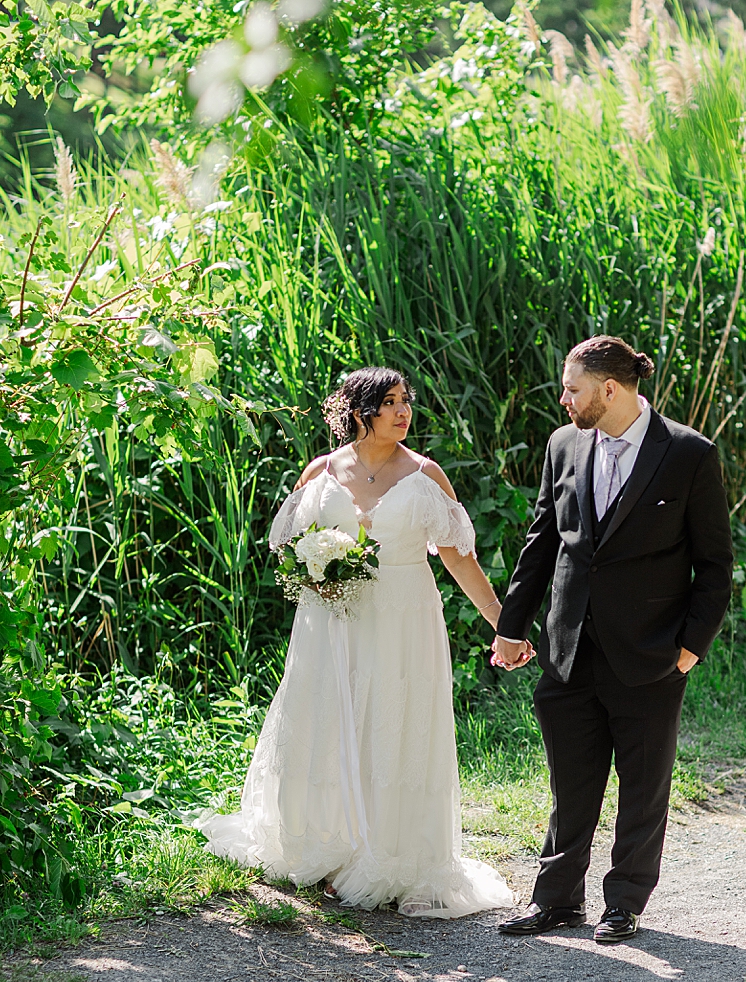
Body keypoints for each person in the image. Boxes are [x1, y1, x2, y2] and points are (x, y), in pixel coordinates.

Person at [198, 368, 515, 917]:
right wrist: (316, 572)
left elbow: (458, 556)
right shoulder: (320, 472)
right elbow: (289, 545)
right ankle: (328, 846)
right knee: (330, 719)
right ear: (359, 412)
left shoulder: (425, 473)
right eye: (389, 403)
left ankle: (389, 854)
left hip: (404, 620)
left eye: (406, 403)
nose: (402, 413)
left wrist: (501, 624)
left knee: (394, 722)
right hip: (332, 622)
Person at [490, 335, 733, 945]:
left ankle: (623, 902)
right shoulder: (562, 445)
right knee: (571, 783)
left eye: (572, 388)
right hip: (568, 648)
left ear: (609, 389)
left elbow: (715, 565)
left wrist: (691, 646)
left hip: (651, 653)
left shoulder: (688, 454)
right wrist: (511, 626)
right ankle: (556, 900)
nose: (563, 398)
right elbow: (542, 540)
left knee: (643, 785)